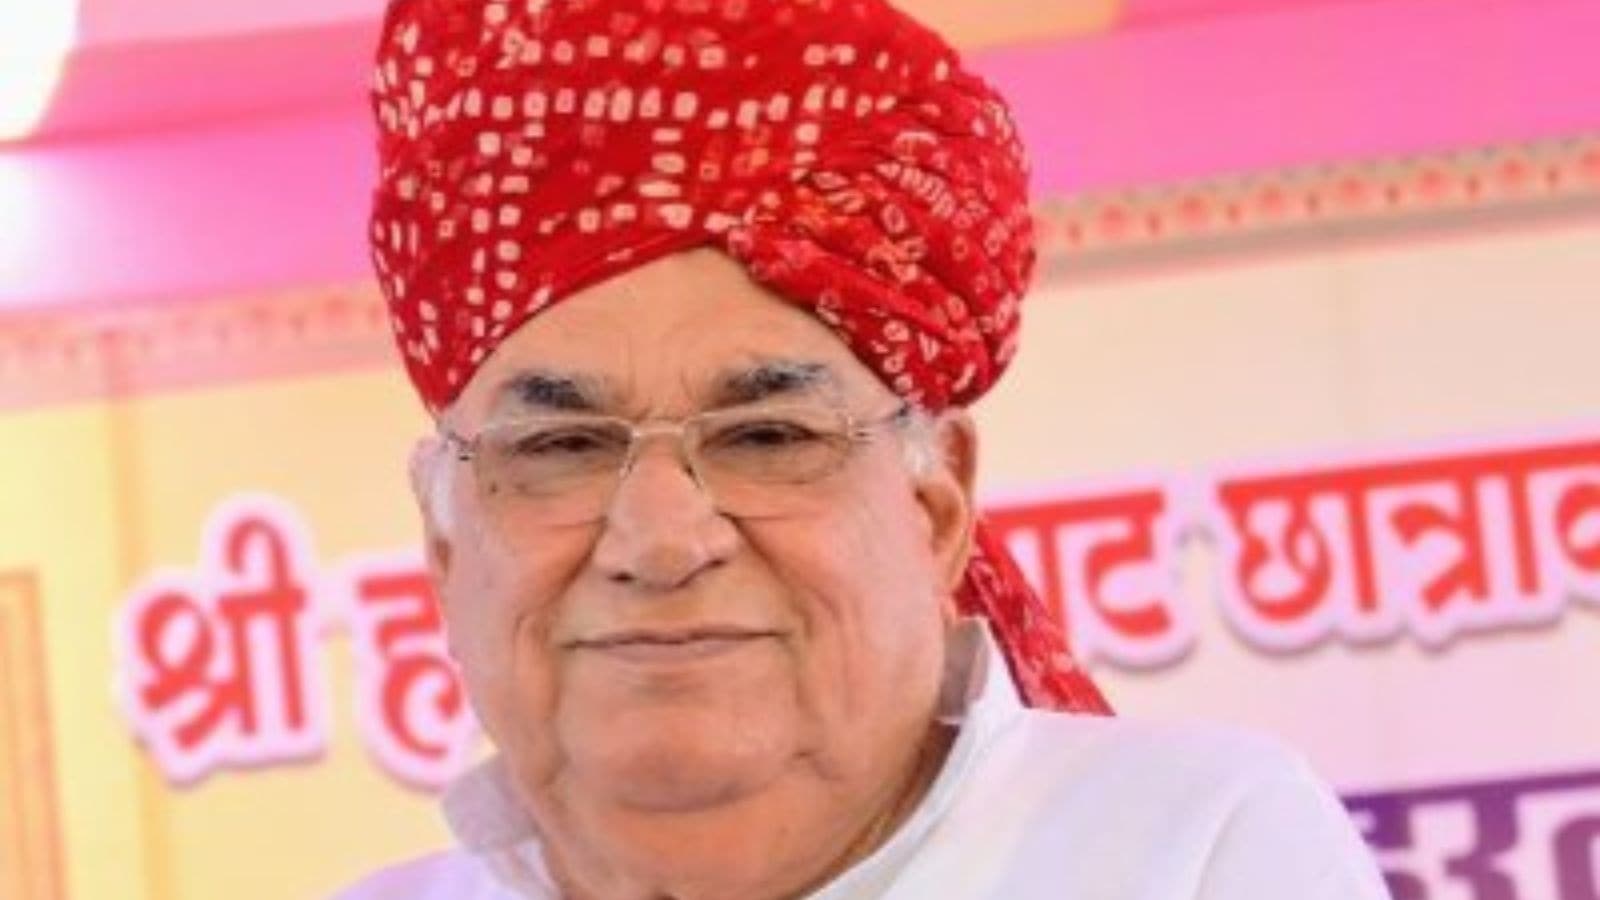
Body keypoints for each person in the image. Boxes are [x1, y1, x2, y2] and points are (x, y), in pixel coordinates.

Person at [338, 1, 1391, 897]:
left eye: (766, 437)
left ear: (936, 509)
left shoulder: (1189, 849)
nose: (659, 540)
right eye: (561, 446)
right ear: (445, 550)